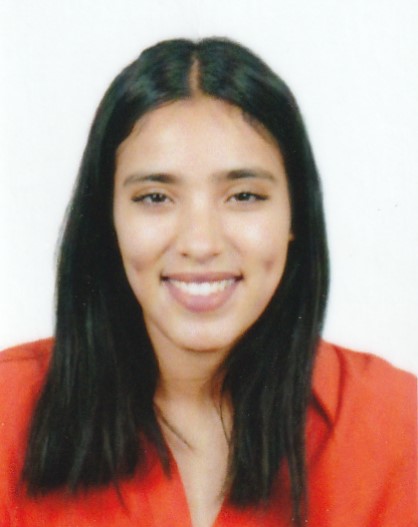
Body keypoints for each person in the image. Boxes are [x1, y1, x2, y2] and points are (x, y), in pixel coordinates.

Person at [0, 38, 415, 527]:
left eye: (243, 196)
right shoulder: (8, 409)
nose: (200, 243)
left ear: (295, 216)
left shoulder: (396, 424)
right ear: (106, 220)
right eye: (155, 197)